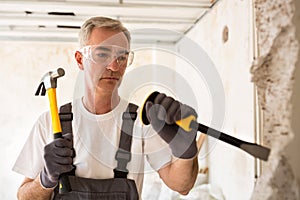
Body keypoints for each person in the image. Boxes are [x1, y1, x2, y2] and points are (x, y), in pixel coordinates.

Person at [13, 16, 199, 200]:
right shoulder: (49, 123)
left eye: (122, 57)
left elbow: (181, 186)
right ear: (80, 59)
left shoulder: (141, 122)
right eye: (102, 55)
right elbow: (24, 197)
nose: (113, 66)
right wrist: (45, 179)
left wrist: (186, 151)